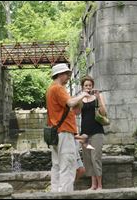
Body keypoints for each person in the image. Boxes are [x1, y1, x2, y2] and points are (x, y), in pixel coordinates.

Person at [46, 63, 90, 192]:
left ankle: (55, 192)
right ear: (60, 74)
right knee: (68, 166)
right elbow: (70, 103)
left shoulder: (50, 89)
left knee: (57, 166)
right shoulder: (58, 88)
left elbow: (72, 109)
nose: (68, 77)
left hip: (56, 133)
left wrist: (78, 101)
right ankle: (65, 194)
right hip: (64, 132)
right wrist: (83, 94)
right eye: (67, 74)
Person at [78, 75, 107, 190]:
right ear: (82, 87)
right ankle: (93, 184)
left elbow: (104, 113)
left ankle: (100, 184)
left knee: (96, 157)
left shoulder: (97, 97)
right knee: (88, 158)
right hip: (84, 133)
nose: (88, 87)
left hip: (97, 132)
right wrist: (81, 97)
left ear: (93, 86)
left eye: (90, 85)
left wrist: (98, 97)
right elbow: (75, 112)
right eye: (86, 85)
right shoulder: (81, 98)